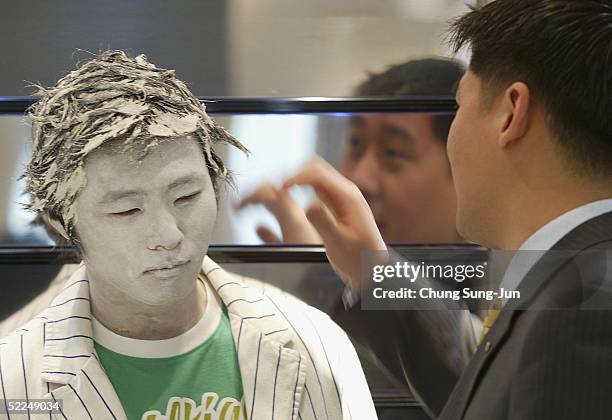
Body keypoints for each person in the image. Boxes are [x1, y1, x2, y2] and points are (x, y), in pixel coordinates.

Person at [275, 1, 612, 419]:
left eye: (460, 105)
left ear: (510, 113)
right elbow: (487, 383)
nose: (362, 177)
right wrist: (371, 270)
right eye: (356, 143)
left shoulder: (586, 306)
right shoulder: (571, 281)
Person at [0, 51, 376, 420]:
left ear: (215, 185)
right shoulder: (11, 382)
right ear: (59, 221)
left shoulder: (315, 343)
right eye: (126, 210)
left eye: (187, 196)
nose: (168, 235)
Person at [239, 58, 477, 417]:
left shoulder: (504, 288)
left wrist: (351, 274)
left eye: (393, 153)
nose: (360, 179)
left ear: (463, 170)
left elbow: (474, 388)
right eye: (355, 143)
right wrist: (317, 272)